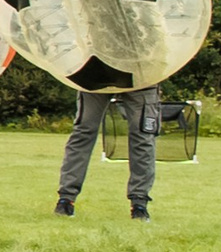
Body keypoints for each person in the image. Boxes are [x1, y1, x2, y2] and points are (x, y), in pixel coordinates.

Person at [54, 87, 156, 220]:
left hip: (141, 76)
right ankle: (66, 200)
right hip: (97, 75)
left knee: (143, 136)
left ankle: (139, 204)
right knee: (84, 131)